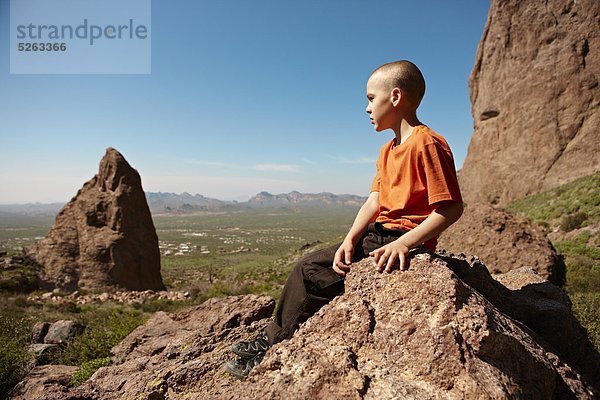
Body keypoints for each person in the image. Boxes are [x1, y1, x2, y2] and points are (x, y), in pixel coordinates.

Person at [225, 60, 464, 379]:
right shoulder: (387, 150)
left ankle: (270, 350)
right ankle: (275, 333)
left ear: (394, 97)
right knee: (310, 267)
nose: (365, 108)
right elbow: (375, 201)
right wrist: (350, 239)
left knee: (310, 273)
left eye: (369, 98)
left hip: (401, 243)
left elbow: (451, 208)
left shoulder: (427, 143)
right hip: (376, 236)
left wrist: (405, 244)